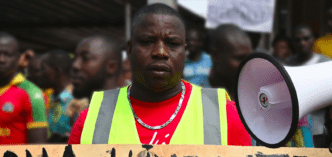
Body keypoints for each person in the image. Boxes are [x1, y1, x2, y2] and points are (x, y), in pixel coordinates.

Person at [68, 4, 251, 146]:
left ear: (184, 52)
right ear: (130, 49)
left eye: (172, 43)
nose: (160, 52)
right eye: (148, 41)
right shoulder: (90, 121)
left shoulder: (227, 117)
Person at [68, 35, 123, 144]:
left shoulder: (127, 115)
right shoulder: (85, 115)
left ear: (111, 67)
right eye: (75, 59)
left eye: (85, 58)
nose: (75, 65)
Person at [286, 23, 332, 148]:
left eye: (306, 38)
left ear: (313, 39)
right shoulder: (289, 63)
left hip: (317, 130)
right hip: (291, 132)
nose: (302, 43)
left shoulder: (325, 63)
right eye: (297, 40)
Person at [0, 32, 47, 144]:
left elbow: (38, 148)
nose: (1, 59)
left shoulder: (32, 93)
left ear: (18, 58)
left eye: (8, 54)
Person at [209, 24, 252, 100]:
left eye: (249, 58)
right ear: (215, 55)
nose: (247, 64)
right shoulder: (194, 95)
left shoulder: (254, 95)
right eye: (239, 58)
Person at [40, 50, 74, 135]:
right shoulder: (51, 97)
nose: (40, 74)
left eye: (43, 69)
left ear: (57, 71)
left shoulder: (77, 100)